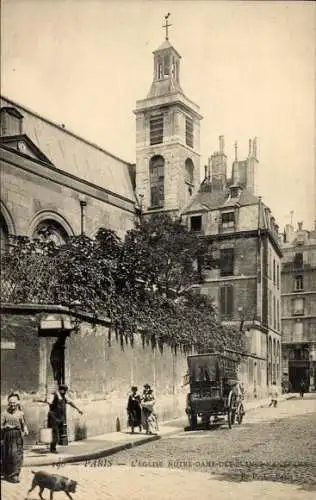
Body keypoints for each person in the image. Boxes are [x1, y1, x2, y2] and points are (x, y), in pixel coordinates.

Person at [1, 393, 28, 483]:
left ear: (17, 403)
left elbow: (23, 424)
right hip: (7, 436)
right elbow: (0, 426)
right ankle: (8, 473)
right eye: (11, 402)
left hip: (17, 436)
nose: (13, 404)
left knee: (17, 455)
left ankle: (15, 474)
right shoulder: (4, 414)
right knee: (9, 455)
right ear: (8, 403)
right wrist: (6, 426)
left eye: (14, 402)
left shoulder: (21, 413)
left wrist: (25, 430)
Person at [46, 385, 83, 453]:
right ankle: (52, 448)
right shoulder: (55, 395)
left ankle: (52, 446)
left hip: (60, 418)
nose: (64, 392)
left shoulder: (64, 396)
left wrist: (78, 409)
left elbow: (70, 402)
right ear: (61, 390)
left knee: (58, 433)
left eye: (65, 390)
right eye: (63, 390)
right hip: (54, 418)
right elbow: (49, 402)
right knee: (55, 434)